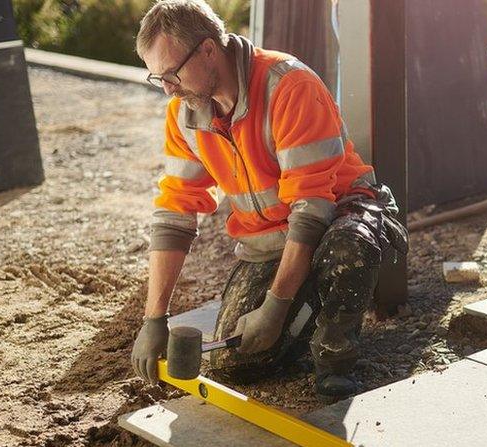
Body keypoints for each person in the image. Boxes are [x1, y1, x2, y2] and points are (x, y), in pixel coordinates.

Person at [129, 0, 406, 398]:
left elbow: (312, 209)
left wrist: (276, 306)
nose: (169, 89)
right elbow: (175, 211)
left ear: (209, 50)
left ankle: (335, 355)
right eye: (158, 78)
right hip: (272, 237)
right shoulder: (184, 114)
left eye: (172, 73)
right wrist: (154, 318)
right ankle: (310, 298)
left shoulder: (288, 85)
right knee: (237, 362)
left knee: (346, 249)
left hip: (339, 211)